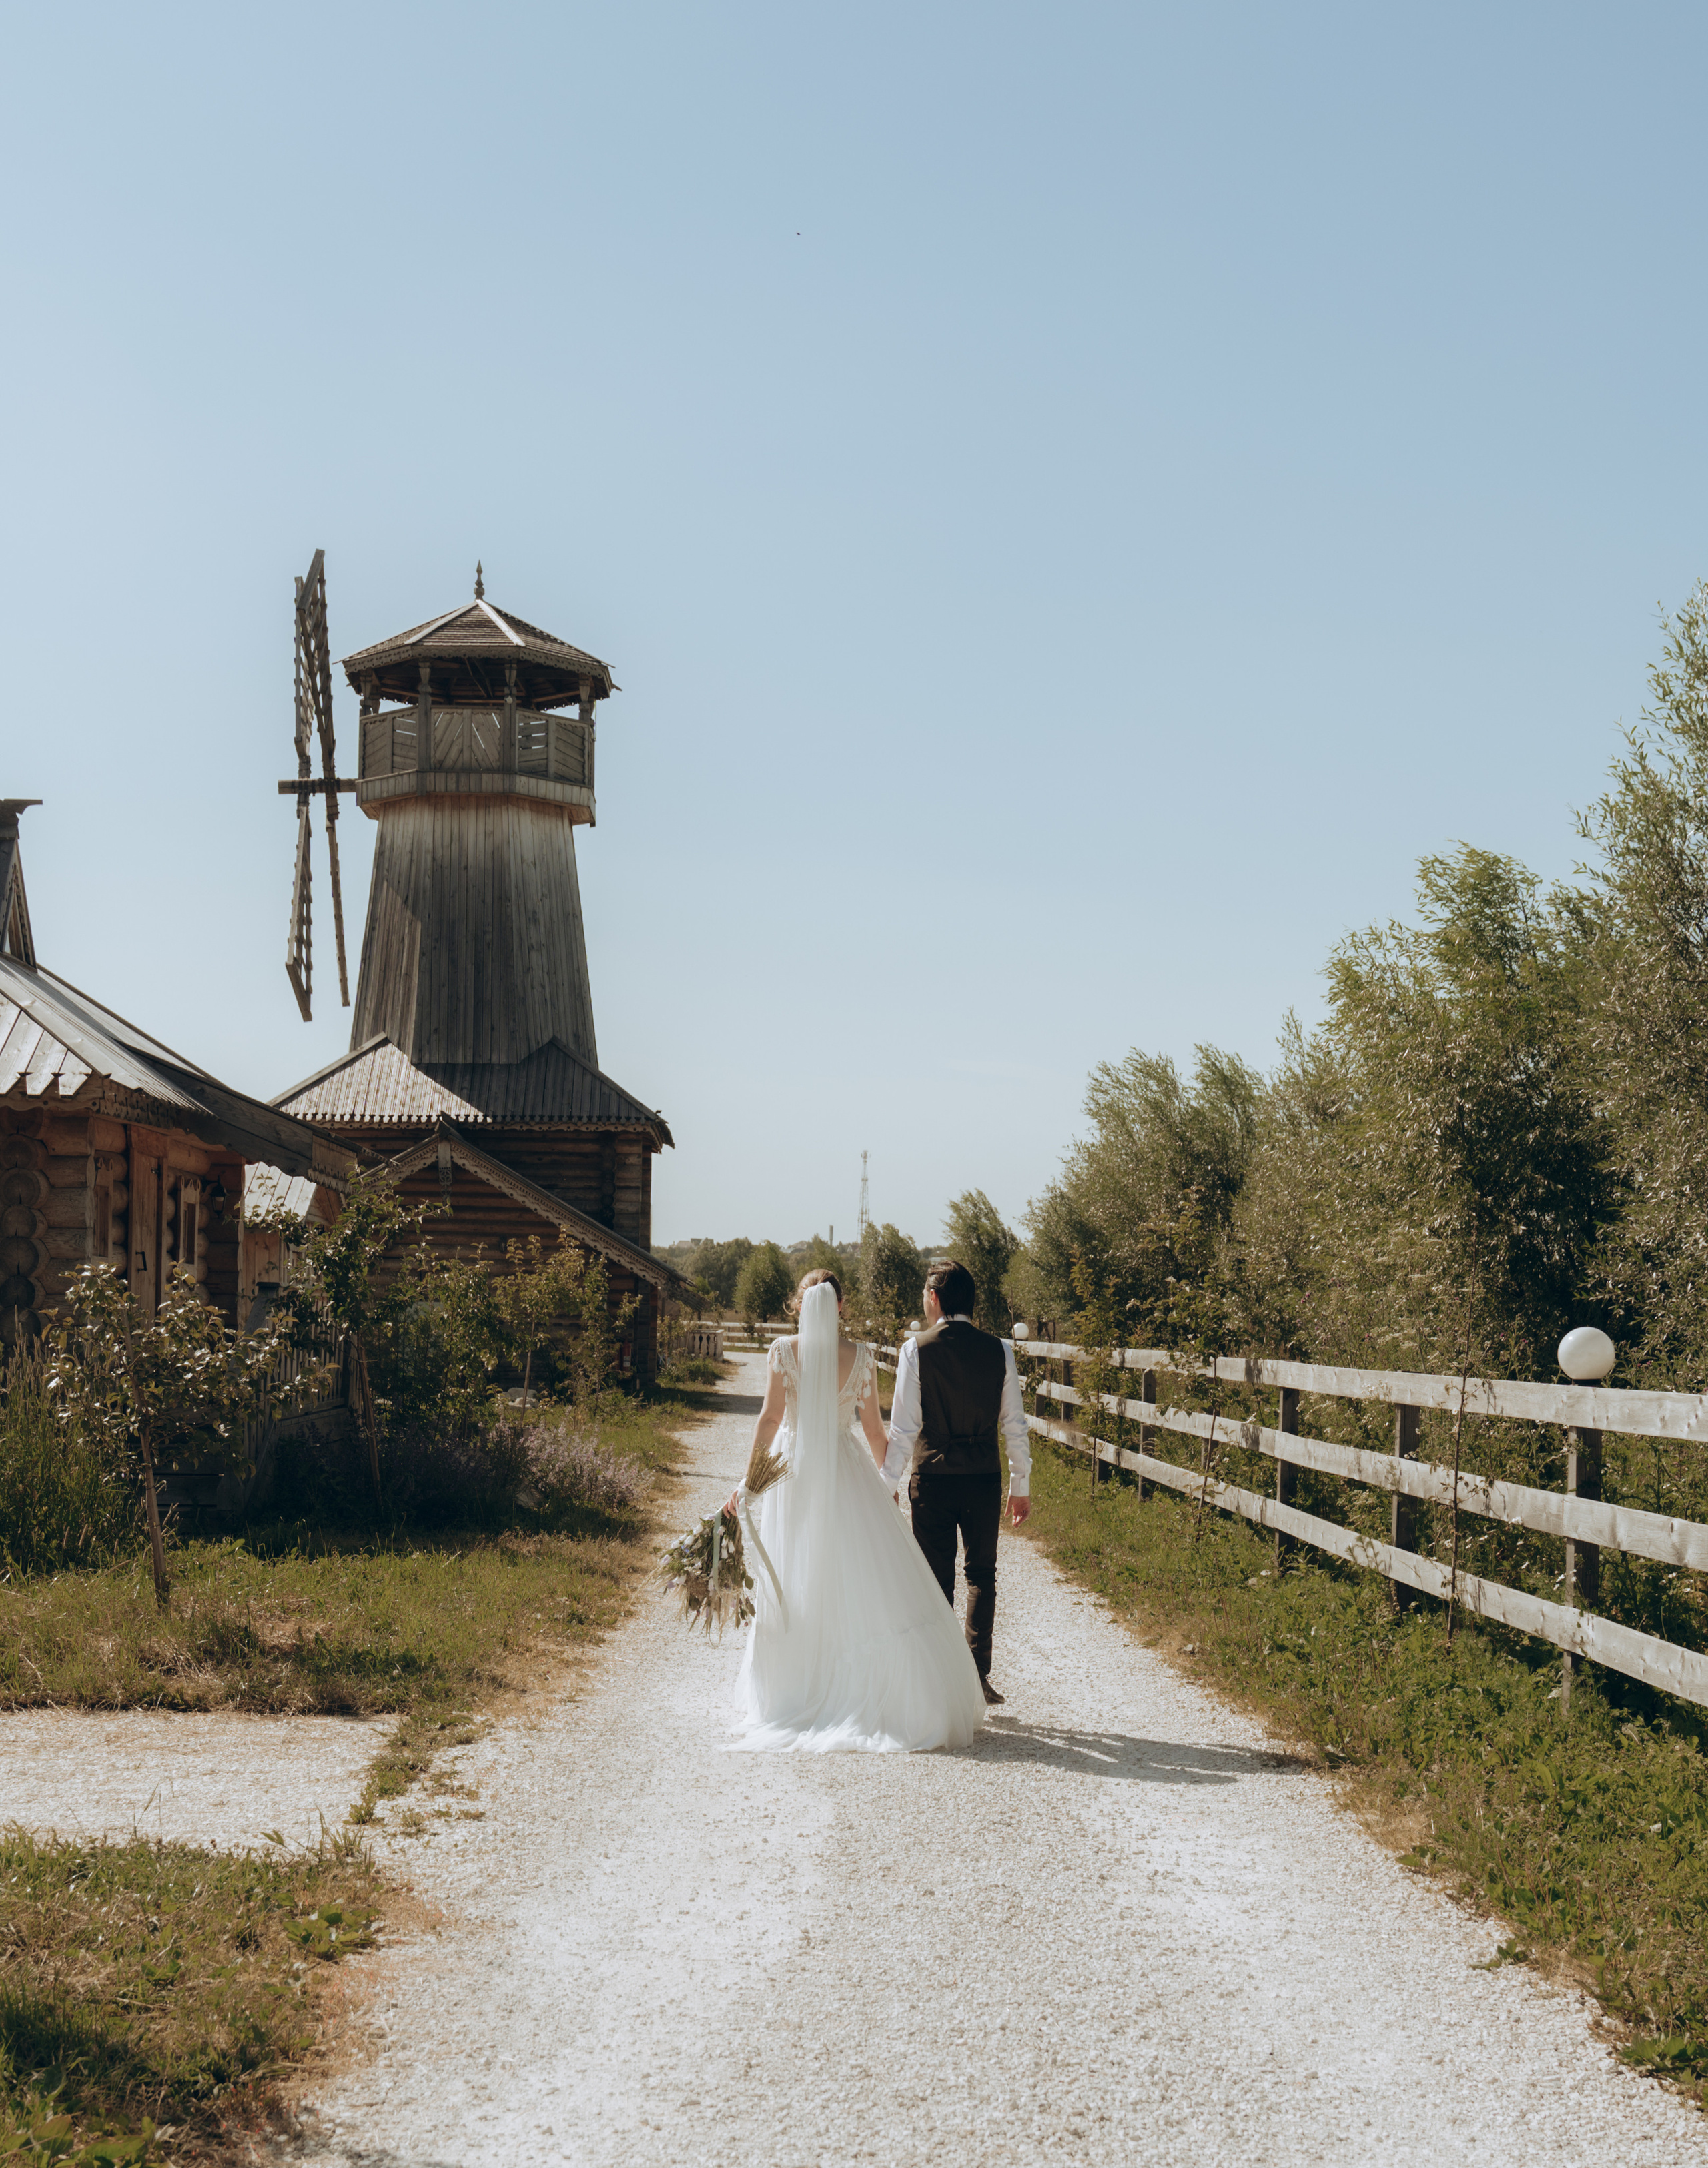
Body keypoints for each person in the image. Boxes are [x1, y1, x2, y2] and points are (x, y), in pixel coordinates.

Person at [732, 1270, 986, 1752]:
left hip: (790, 1472)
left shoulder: (785, 1351)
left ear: (801, 1304)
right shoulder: (863, 1357)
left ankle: (796, 1682)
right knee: (854, 1569)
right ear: (842, 1305)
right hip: (845, 1468)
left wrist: (750, 1481)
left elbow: (769, 1418)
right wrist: (887, 1484)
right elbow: (874, 1433)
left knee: (796, 1568)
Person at [879, 1257, 1031, 1706]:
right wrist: (1020, 1485)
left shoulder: (916, 1350)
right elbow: (1014, 1423)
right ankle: (976, 1676)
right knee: (982, 1574)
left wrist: (887, 1479)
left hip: (933, 1478)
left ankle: (937, 1676)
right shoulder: (999, 1349)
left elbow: (904, 1429)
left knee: (934, 1579)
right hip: (983, 1477)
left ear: (934, 1299)